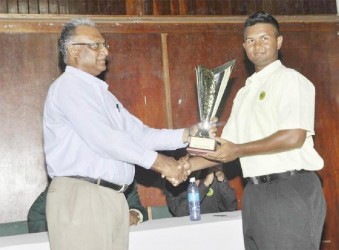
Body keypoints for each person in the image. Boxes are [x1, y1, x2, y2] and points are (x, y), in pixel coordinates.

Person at [43, 18, 214, 250]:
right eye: (96, 45)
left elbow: (139, 134)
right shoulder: (69, 87)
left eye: (105, 45)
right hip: (83, 198)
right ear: (73, 51)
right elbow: (105, 139)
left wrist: (186, 135)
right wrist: (163, 164)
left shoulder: (104, 96)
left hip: (113, 199)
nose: (105, 51)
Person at [184, 11, 326, 250]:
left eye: (264, 38)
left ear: (279, 42)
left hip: (289, 189)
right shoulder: (244, 92)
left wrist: (238, 150)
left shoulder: (291, 80)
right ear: (243, 46)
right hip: (255, 194)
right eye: (250, 40)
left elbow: (294, 136)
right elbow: (226, 145)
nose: (257, 46)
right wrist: (186, 165)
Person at [27, 181, 147, 233]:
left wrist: (134, 214)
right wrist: (52, 238)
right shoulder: (66, 180)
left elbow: (138, 209)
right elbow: (37, 214)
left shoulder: (123, 178)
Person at [164, 164, 237, 216]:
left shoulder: (212, 176)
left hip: (212, 226)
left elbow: (231, 207)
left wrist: (221, 179)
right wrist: (205, 185)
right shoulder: (174, 181)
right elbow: (179, 211)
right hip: (188, 229)